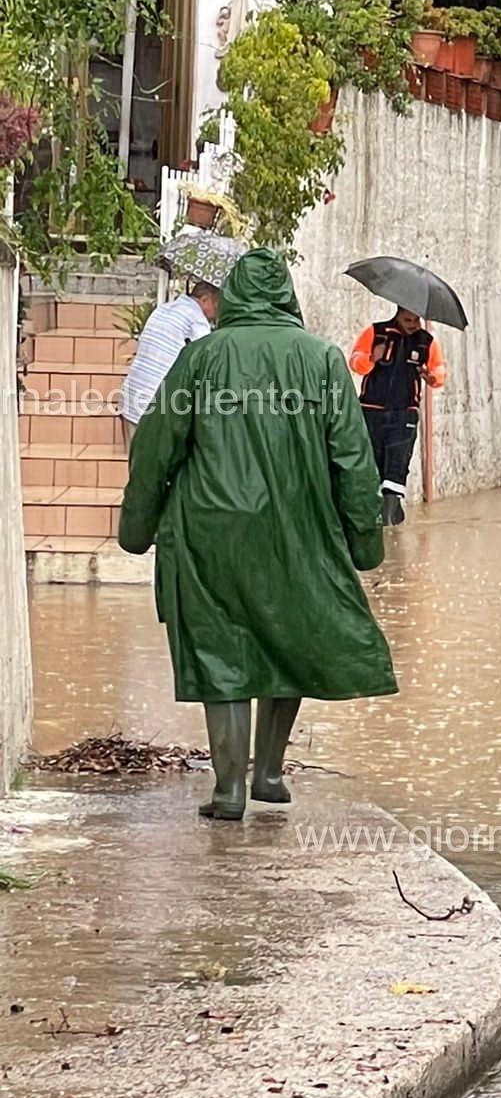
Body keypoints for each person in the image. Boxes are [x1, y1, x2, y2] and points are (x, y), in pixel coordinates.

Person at [118, 249, 394, 823]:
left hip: (208, 531)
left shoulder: (201, 358)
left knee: (222, 652)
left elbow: (155, 446)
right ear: (287, 296)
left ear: (235, 296)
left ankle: (228, 790)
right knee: (284, 642)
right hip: (300, 529)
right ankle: (268, 773)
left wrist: (136, 529)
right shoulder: (322, 361)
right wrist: (365, 543)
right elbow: (354, 458)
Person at [347, 304, 446, 524]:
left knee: (398, 462)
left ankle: (388, 517)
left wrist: (431, 377)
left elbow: (439, 372)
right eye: (408, 320)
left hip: (405, 413)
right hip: (371, 411)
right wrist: (372, 358)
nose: (413, 325)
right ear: (398, 315)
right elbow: (355, 363)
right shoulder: (375, 332)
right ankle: (384, 514)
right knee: (374, 463)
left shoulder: (426, 342)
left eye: (416, 320)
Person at [119, 278, 219, 447]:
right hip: (156, 404)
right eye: (217, 305)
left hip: (132, 397)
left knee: (136, 467)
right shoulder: (196, 319)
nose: (217, 313)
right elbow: (207, 360)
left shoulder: (163, 309)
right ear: (205, 299)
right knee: (158, 468)